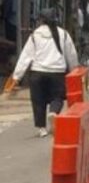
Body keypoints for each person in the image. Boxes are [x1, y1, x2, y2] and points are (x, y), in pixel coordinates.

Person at [10, 9, 78, 137]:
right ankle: (53, 112)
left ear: (41, 20)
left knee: (38, 101)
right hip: (57, 72)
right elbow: (71, 55)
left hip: (37, 73)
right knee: (57, 97)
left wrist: (17, 76)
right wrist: (74, 70)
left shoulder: (35, 35)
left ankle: (42, 128)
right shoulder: (63, 34)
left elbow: (25, 57)